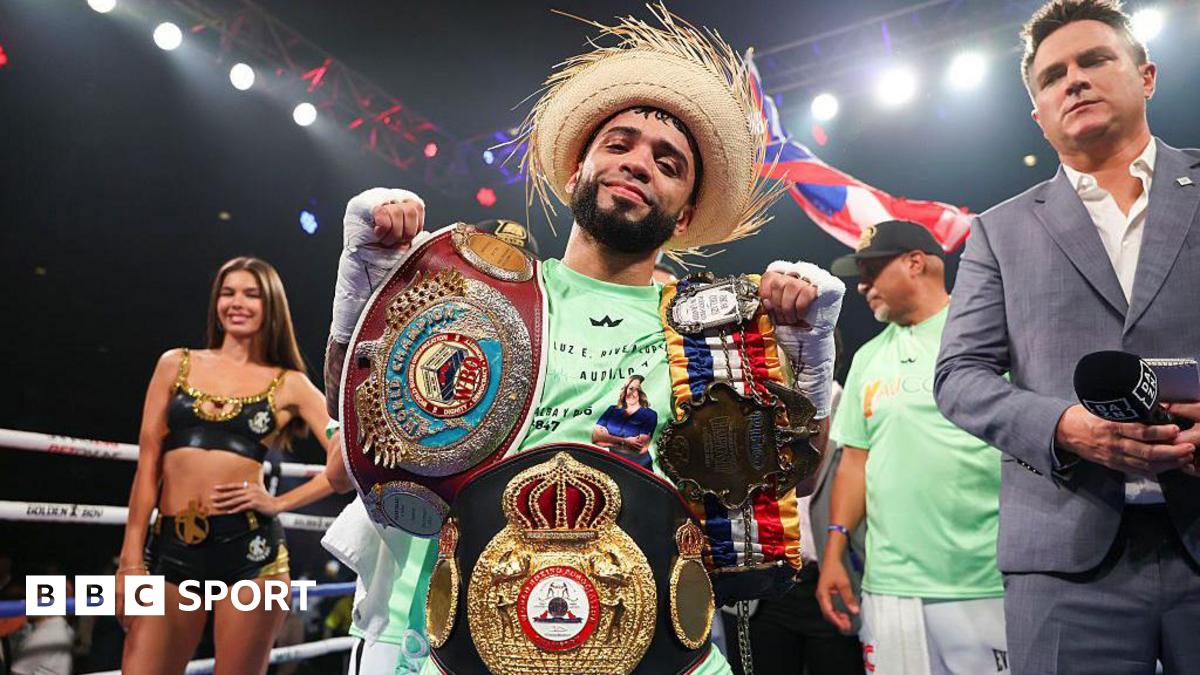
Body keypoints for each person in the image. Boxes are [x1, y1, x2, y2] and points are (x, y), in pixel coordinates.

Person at [325, 8, 847, 672]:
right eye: (620, 143)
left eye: (667, 161)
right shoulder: (485, 298)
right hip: (473, 646)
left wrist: (807, 356)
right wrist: (365, 291)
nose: (638, 164)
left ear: (684, 211)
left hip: (658, 648)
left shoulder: (717, 328)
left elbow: (789, 488)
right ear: (577, 171)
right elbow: (352, 454)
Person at [933, 1, 1200, 672]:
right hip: (1065, 562)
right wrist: (1064, 427)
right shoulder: (998, 230)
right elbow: (958, 376)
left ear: (1146, 76)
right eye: (1053, 75)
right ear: (1038, 114)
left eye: (1095, 60)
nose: (1073, 80)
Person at [117, 257, 338, 675]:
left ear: (270, 304)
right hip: (171, 550)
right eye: (228, 292)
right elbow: (148, 464)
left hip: (253, 555)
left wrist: (279, 502)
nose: (237, 303)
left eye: (251, 294)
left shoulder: (288, 382)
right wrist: (131, 561)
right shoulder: (175, 363)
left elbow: (344, 458)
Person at [816, 220, 1006, 674]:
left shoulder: (991, 337)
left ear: (915, 263)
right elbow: (855, 463)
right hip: (890, 586)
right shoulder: (868, 357)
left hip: (987, 580)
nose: (861, 286)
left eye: (871, 271)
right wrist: (834, 553)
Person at [592, 373, 659, 468]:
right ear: (626, 389)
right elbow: (596, 438)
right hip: (612, 464)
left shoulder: (650, 415)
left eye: (637, 390)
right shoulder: (612, 410)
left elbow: (640, 448)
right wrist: (626, 441)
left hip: (639, 469)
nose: (633, 393)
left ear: (642, 393)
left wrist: (607, 438)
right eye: (631, 388)